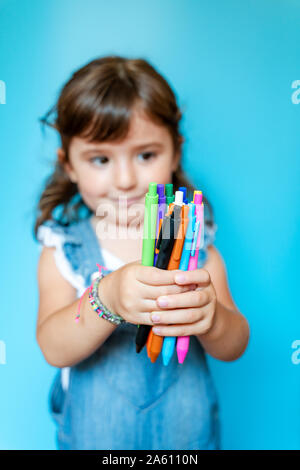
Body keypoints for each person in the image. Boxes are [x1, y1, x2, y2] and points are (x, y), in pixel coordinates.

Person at [34, 55, 249, 450]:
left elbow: (235, 344)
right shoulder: (63, 251)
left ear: (175, 152)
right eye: (100, 159)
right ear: (70, 166)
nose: (126, 179)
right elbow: (53, 345)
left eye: (146, 155)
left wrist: (212, 318)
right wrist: (105, 298)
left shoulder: (195, 247)